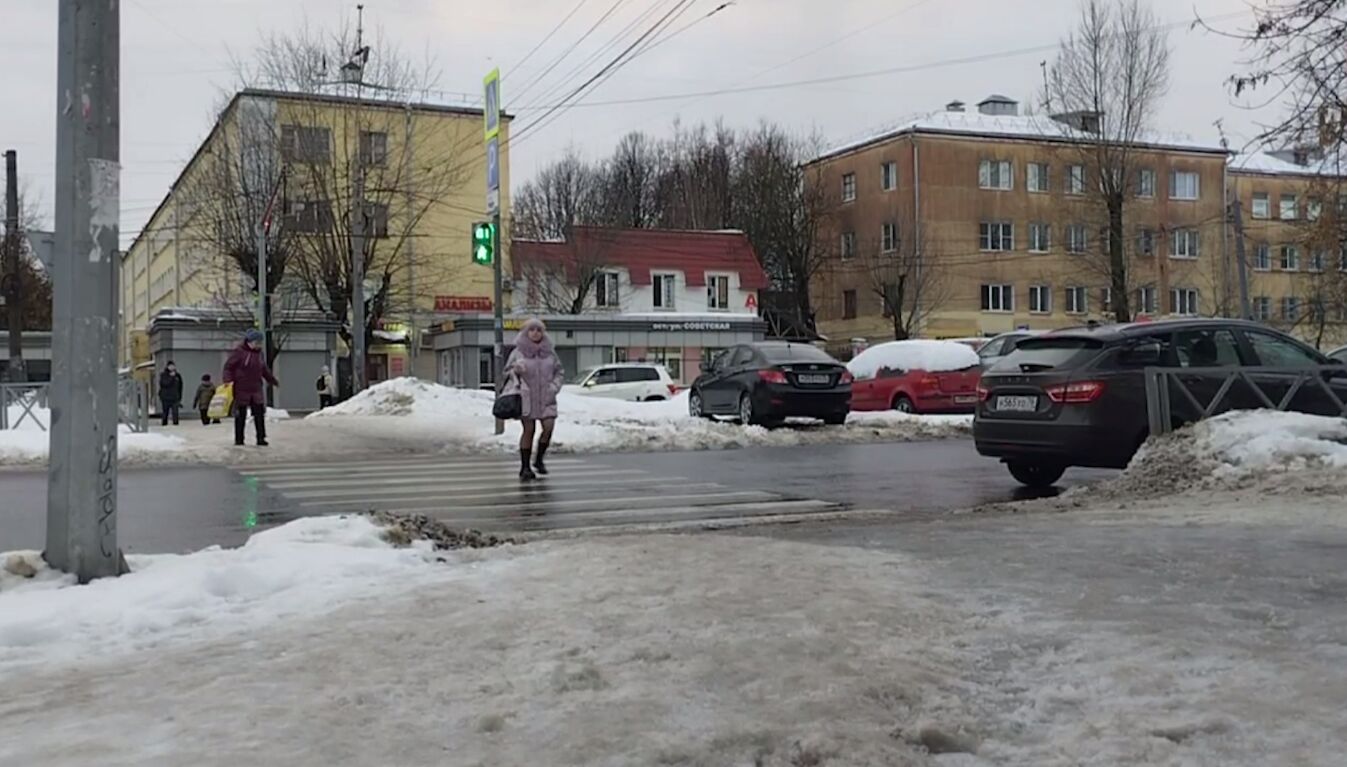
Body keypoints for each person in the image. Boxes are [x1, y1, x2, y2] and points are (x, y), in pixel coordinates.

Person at [505, 318, 564, 480]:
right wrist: (515, 371)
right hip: (527, 398)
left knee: (548, 428)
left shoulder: (550, 352)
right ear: (526, 332)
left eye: (539, 330)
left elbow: (559, 371)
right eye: (532, 330)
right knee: (528, 430)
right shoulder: (518, 352)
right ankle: (525, 467)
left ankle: (539, 459)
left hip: (546, 397)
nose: (535, 333)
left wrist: (554, 387)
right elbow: (507, 372)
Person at [223, 329, 279, 447]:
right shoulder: (239, 352)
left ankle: (261, 438)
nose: (258, 345)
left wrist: (272, 380)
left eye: (259, 343)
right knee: (240, 415)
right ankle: (239, 439)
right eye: (256, 342)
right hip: (241, 388)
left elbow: (264, 370)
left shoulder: (260, 354)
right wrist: (227, 380)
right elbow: (228, 367)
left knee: (259, 414)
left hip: (256, 388)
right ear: (249, 341)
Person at [158, 361, 184, 426]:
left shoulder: (177, 375)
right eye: (170, 366)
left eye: (173, 366)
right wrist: (172, 377)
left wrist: (180, 396)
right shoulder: (163, 375)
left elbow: (180, 386)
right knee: (165, 412)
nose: (172, 367)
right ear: (167, 367)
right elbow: (164, 384)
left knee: (175, 413)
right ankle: (164, 424)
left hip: (175, 397)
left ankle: (175, 424)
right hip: (166, 397)